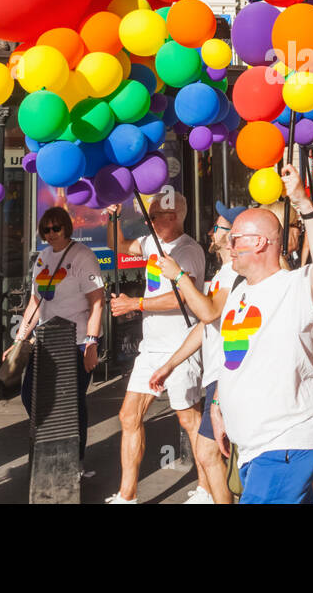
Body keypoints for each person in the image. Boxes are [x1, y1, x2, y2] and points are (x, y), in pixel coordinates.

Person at [208, 164, 313, 503]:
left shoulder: (293, 286)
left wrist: (302, 202)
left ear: (262, 243)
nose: (228, 244)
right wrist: (219, 406)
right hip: (253, 443)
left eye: (235, 238)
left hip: (286, 441)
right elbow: (234, 357)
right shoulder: (237, 291)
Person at [105, 191, 209, 504]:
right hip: (151, 349)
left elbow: (182, 298)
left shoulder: (188, 250)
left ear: (174, 216)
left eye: (154, 216)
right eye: (148, 216)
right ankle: (127, 495)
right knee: (128, 416)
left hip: (181, 347)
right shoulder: (151, 243)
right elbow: (118, 247)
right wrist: (114, 218)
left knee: (188, 419)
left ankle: (207, 488)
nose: (149, 221)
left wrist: (134, 303)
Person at [149, 202, 248, 504]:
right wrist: (169, 365)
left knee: (210, 452)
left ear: (233, 236)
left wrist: (179, 276)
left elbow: (206, 313)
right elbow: (205, 330)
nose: (211, 230)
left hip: (227, 375)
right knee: (222, 454)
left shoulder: (233, 275)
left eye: (218, 227)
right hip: (218, 375)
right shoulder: (223, 273)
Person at [6, 206, 105, 464]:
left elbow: (97, 301)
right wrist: (19, 339)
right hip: (47, 339)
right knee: (30, 395)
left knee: (71, 401)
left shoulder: (83, 256)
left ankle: (75, 459)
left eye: (56, 228)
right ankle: (52, 443)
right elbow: (34, 303)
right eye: (46, 229)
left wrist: (91, 343)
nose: (51, 234)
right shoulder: (42, 257)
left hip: (78, 339)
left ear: (66, 228)